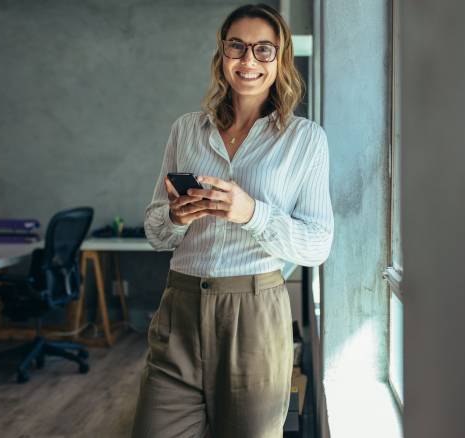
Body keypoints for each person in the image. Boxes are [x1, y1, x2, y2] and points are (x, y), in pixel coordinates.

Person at [130, 4, 333, 438]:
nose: (248, 60)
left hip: (255, 315)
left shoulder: (306, 140)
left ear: (280, 59)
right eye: (236, 47)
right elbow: (154, 230)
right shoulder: (186, 129)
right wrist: (176, 216)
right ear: (221, 55)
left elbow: (318, 244)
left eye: (264, 50)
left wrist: (251, 213)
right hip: (179, 308)